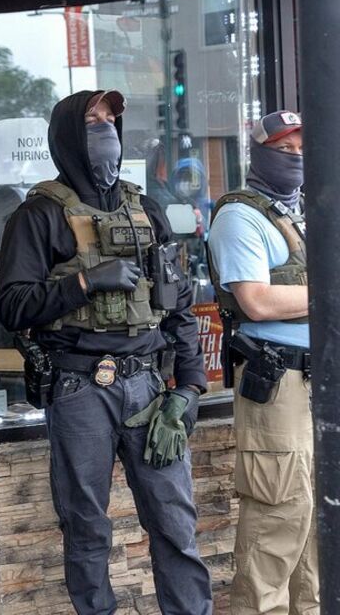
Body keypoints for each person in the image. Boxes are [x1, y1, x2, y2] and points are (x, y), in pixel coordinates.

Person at [0, 90, 211, 615]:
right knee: (86, 529)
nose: (106, 129)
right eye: (93, 120)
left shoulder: (147, 210)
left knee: (175, 525)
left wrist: (188, 387)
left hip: (149, 390)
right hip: (79, 389)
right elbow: (12, 306)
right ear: (68, 134)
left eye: (111, 119)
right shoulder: (39, 215)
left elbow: (179, 305)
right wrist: (85, 283)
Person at [206, 111, 316, 614]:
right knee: (277, 517)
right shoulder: (240, 217)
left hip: (319, 378)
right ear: (258, 154)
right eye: (283, 149)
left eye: (302, 149)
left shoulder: (304, 213)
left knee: (318, 525)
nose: (295, 158)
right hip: (278, 381)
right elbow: (257, 301)